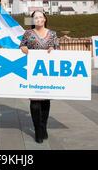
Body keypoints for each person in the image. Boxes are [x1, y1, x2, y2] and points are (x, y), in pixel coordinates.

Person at [20, 10, 59, 143]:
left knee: (45, 102)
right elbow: (21, 45)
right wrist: (23, 48)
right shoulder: (28, 33)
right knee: (35, 103)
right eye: (35, 17)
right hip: (32, 72)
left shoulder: (52, 33)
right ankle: (37, 130)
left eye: (40, 17)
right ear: (32, 20)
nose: (38, 19)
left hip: (47, 73)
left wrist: (53, 50)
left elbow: (57, 49)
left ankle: (43, 126)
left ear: (44, 19)